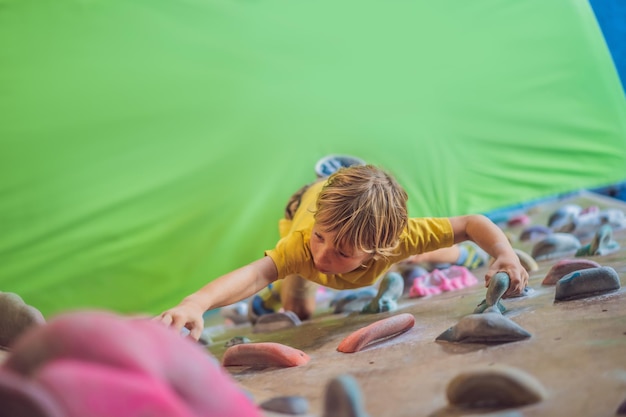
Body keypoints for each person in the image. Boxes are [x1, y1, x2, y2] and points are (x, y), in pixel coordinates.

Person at [157, 164, 528, 340]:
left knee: (418, 253)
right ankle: (330, 178)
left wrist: (504, 253)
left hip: (376, 237)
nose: (323, 257)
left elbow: (471, 223)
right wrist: (196, 302)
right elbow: (256, 272)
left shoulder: (401, 238)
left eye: (342, 253)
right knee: (297, 309)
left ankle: (464, 259)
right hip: (306, 204)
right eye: (321, 239)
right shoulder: (304, 244)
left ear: (379, 248)